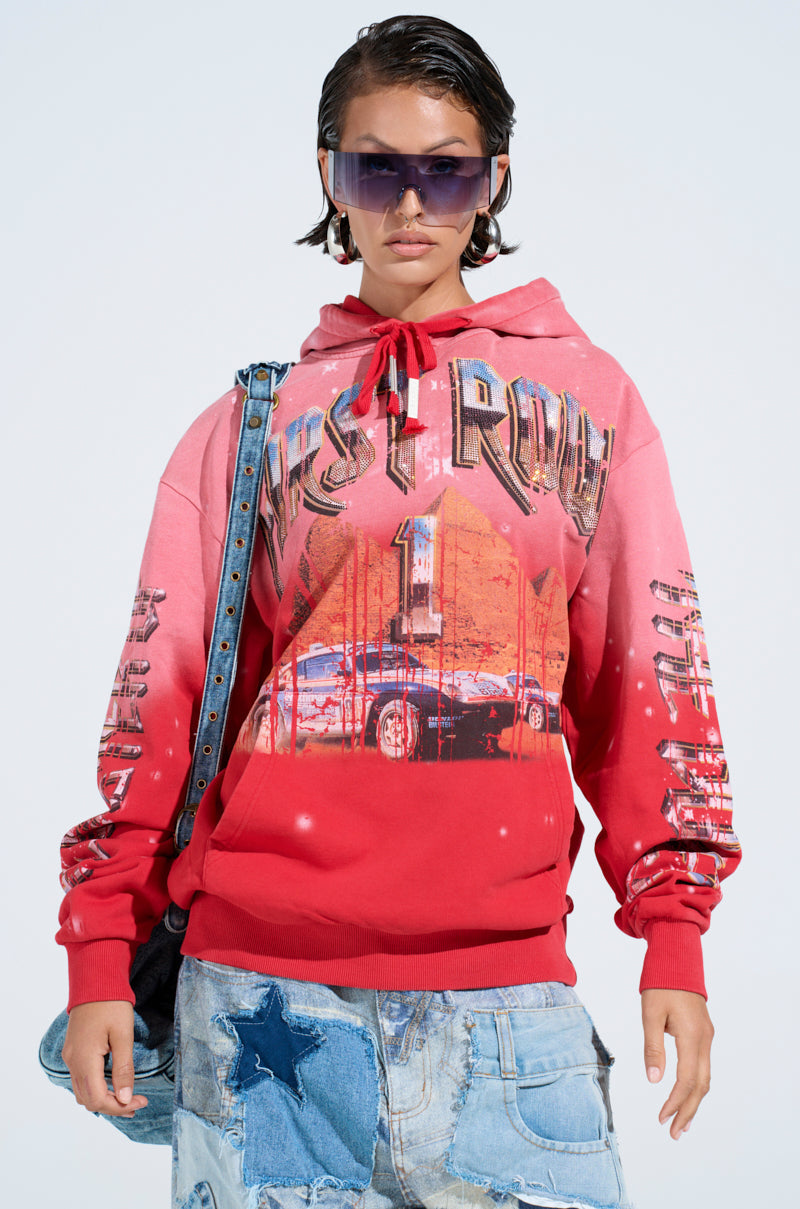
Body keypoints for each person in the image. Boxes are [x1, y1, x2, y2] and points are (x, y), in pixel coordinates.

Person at [56, 15, 741, 1209]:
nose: (411, 204)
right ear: (329, 175)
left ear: (494, 179)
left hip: (509, 1003)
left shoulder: (588, 403)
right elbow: (157, 698)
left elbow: (646, 674)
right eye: (376, 169)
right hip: (257, 1000)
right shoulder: (251, 425)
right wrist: (100, 946)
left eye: (447, 171)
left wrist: (671, 934)